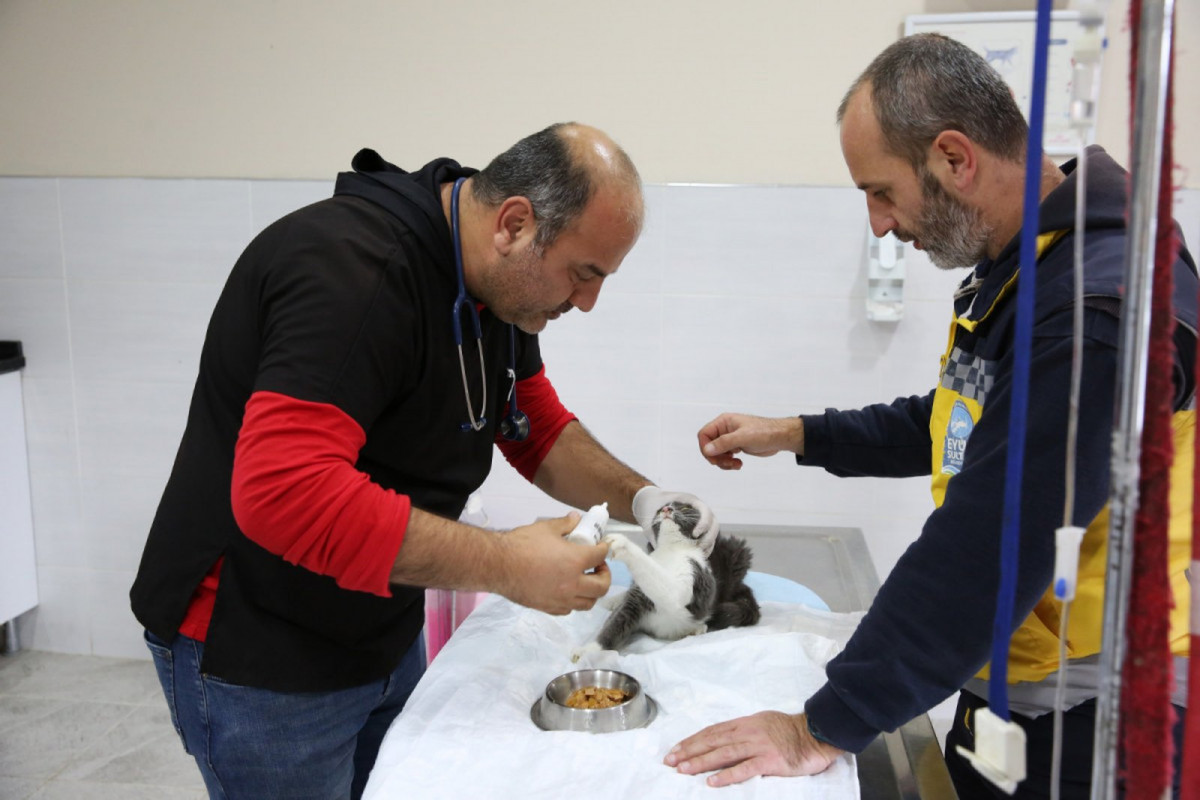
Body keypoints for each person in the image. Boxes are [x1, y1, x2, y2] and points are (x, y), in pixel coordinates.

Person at [666, 34, 1195, 799]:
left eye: (881, 192)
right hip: (1012, 672)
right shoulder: (1025, 268)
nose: (879, 224)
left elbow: (990, 543)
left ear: (954, 158)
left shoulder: (1096, 312)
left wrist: (822, 726)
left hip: (1091, 713)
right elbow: (961, 424)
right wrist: (797, 435)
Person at [129, 122, 715, 800]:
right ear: (514, 224)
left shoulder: (494, 287)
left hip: (381, 619)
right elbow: (286, 496)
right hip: (262, 647)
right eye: (584, 274)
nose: (586, 302)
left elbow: (534, 427)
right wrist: (506, 564)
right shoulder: (349, 273)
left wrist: (644, 499)